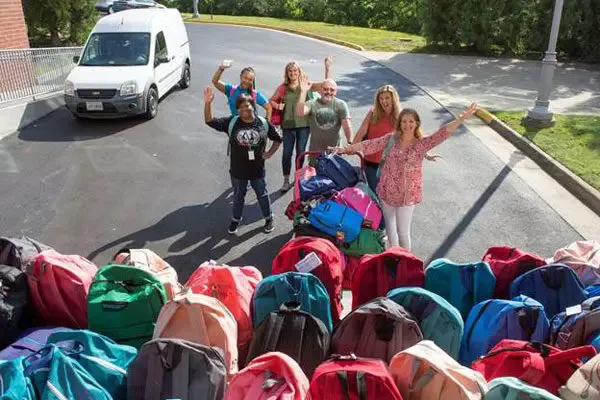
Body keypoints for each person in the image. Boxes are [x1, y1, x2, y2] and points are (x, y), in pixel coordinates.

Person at [329, 103, 479, 251]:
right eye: (404, 121)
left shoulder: (421, 144)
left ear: (416, 123)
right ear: (400, 123)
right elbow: (369, 144)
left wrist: (461, 119)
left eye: (411, 121)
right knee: (390, 229)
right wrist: (345, 149)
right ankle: (392, 257)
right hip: (387, 191)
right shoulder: (392, 139)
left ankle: (406, 261)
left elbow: (442, 133)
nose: (407, 125)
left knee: (403, 232)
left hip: (406, 195)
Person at [203, 87, 282, 234]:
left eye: (246, 105)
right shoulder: (232, 122)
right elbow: (209, 120)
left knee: (262, 195)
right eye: (240, 107)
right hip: (238, 171)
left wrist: (270, 153)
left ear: (253, 106)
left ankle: (268, 217)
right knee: (238, 196)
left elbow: (278, 139)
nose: (244, 109)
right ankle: (235, 219)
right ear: (237, 110)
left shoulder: (263, 123)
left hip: (257, 170)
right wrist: (208, 103)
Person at [354, 85, 440, 193]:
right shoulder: (373, 113)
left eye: (387, 98)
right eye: (381, 98)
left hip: (390, 164)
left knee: (387, 195)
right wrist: (350, 147)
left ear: (393, 99)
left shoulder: (401, 116)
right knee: (374, 194)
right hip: (370, 162)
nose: (383, 101)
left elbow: (414, 137)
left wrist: (426, 154)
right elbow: (362, 130)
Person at [270, 56, 332, 192]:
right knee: (286, 153)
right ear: (287, 73)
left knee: (300, 153)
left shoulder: (307, 85)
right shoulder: (283, 88)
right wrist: (277, 105)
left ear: (299, 72)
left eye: (295, 71)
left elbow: (326, 85)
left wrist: (327, 67)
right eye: (290, 71)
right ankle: (286, 180)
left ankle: (298, 178)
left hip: (304, 126)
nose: (293, 73)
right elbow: (272, 100)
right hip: (288, 125)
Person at [295, 78, 352, 154]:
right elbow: (299, 112)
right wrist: (303, 92)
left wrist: (350, 143)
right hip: (315, 152)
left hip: (334, 151)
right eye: (326, 89)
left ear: (336, 92)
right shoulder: (312, 103)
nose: (329, 92)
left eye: (332, 90)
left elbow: (346, 126)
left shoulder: (341, 104)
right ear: (321, 90)